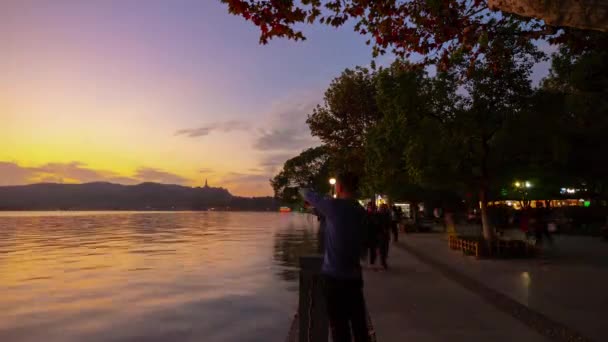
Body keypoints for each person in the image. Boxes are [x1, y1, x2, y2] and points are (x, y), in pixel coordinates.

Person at [300, 172, 370, 342]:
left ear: (339, 187)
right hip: (354, 276)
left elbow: (306, 193)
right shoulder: (360, 210)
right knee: (359, 324)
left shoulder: (334, 206)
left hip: (334, 277)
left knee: (339, 327)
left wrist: (305, 188)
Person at [377, 204, 391, 270]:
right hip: (381, 234)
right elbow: (377, 224)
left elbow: (389, 223)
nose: (382, 209)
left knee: (385, 248)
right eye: (381, 208)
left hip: (385, 234)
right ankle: (383, 261)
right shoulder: (379, 215)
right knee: (382, 248)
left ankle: (383, 261)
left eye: (383, 208)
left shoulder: (387, 215)